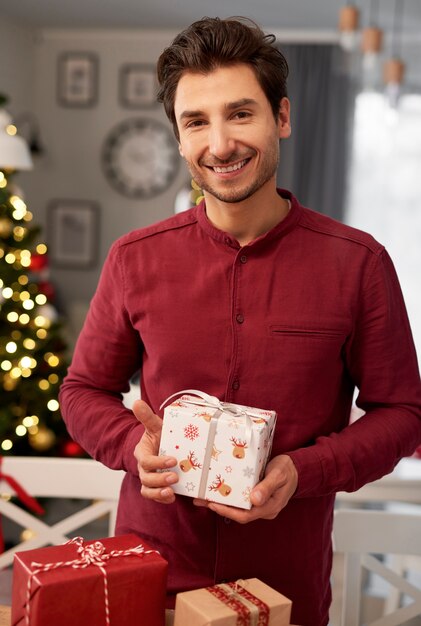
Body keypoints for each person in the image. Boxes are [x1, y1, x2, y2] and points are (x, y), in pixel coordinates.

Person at [59, 16, 421, 626]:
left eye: (240, 113)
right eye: (196, 121)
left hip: (286, 587)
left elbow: (404, 414)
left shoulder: (359, 264)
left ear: (282, 117)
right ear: (178, 138)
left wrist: (304, 471)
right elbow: (82, 391)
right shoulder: (133, 258)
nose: (220, 143)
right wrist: (130, 446)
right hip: (151, 579)